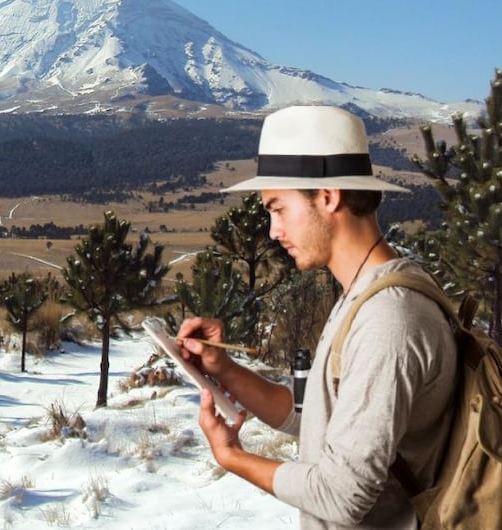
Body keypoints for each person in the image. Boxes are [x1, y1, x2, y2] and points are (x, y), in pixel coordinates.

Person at [177, 105, 458, 529]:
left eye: (279, 208)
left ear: (327, 197)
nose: (272, 231)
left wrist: (232, 458)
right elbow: (314, 421)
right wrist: (224, 369)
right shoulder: (366, 294)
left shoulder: (389, 320)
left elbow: (340, 497)